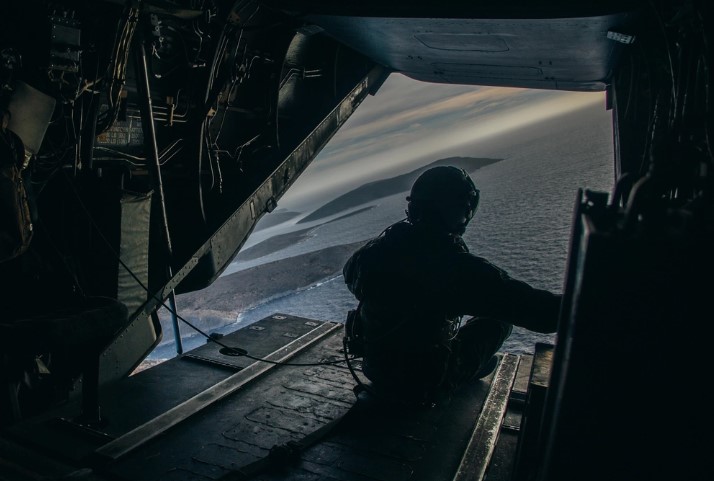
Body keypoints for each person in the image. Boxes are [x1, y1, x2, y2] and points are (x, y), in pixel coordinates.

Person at [343, 165, 561, 406]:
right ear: (458, 209)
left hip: (376, 370)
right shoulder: (452, 267)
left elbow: (354, 279)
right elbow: (543, 315)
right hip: (421, 383)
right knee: (498, 321)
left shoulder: (374, 252)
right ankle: (453, 376)